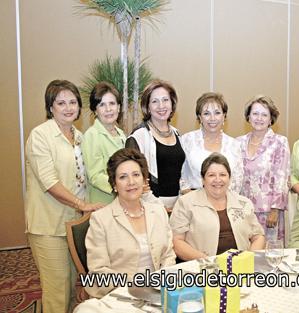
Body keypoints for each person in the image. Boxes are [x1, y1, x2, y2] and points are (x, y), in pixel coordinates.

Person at [25, 80, 104, 313]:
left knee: (71, 290)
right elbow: (49, 182)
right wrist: (83, 205)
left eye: (72, 102)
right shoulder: (41, 135)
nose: (68, 107)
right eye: (61, 103)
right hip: (48, 226)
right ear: (50, 107)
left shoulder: (78, 136)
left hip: (73, 225)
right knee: (57, 292)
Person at [85, 148, 176, 298]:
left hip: (158, 292)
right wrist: (137, 286)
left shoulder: (158, 212)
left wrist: (162, 280)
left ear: (144, 179)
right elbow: (98, 271)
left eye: (136, 175)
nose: (131, 182)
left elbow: (168, 255)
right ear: (114, 184)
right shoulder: (100, 220)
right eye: (123, 177)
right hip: (118, 295)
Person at [170, 153, 265, 260]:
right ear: (202, 179)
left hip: (240, 267)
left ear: (229, 178)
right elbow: (176, 241)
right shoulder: (185, 203)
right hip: (202, 268)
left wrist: (249, 258)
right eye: (211, 175)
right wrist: (208, 261)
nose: (218, 180)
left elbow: (258, 236)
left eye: (223, 175)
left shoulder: (243, 203)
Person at [126, 79, 185, 213]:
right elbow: (133, 176)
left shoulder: (177, 134)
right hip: (150, 207)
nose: (161, 106)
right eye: (155, 101)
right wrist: (156, 206)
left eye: (165, 100)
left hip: (178, 208)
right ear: (147, 107)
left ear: (172, 103)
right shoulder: (138, 136)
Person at [237, 95, 290, 242]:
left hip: (268, 212)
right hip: (242, 210)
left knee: (267, 256)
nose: (259, 118)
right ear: (248, 116)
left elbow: (282, 177)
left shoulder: (280, 142)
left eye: (264, 114)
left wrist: (275, 209)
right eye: (255, 113)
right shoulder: (238, 142)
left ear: (271, 119)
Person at [180, 92, 243, 193]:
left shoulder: (234, 145)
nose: (212, 118)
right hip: (193, 201)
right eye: (206, 113)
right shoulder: (187, 140)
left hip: (226, 201)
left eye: (217, 113)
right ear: (200, 117)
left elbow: (237, 180)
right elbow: (179, 174)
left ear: (224, 116)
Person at [82, 82, 126, 204]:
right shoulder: (92, 135)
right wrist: (123, 186)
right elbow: (95, 176)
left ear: (118, 107)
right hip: (103, 204)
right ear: (95, 110)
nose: (108, 109)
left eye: (112, 103)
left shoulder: (121, 134)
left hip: (122, 201)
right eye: (102, 105)